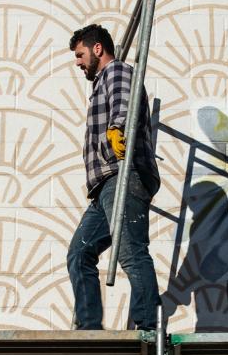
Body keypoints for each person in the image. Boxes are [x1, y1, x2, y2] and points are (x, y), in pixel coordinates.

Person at [67, 24, 161, 330]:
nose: (78, 62)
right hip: (105, 185)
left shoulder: (116, 71)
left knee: (131, 253)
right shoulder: (101, 83)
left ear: (97, 49)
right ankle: (89, 329)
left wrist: (117, 130)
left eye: (80, 54)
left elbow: (124, 105)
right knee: (80, 253)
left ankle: (148, 327)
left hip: (122, 175)